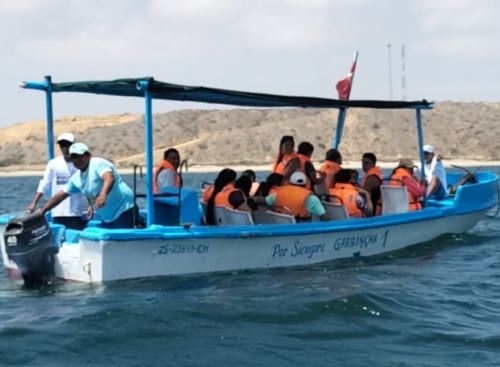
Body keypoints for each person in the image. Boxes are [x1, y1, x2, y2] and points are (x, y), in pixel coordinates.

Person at [36, 143, 136, 229]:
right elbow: (60, 195)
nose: (78, 160)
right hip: (108, 216)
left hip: (124, 208)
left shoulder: (98, 163)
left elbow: (108, 178)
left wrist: (102, 195)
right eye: (74, 157)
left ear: (88, 155)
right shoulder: (76, 178)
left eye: (80, 156)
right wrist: (43, 210)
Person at [27, 132, 87, 230]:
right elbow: (45, 183)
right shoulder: (53, 164)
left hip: (75, 212)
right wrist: (34, 202)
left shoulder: (80, 164)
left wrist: (90, 205)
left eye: (68, 145)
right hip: (58, 212)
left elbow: (87, 186)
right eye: (62, 145)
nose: (65, 148)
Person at [264, 171, 328, 221]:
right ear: (305, 184)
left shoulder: (277, 195)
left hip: (280, 227)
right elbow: (324, 218)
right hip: (301, 229)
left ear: (290, 183)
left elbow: (262, 201)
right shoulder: (312, 199)